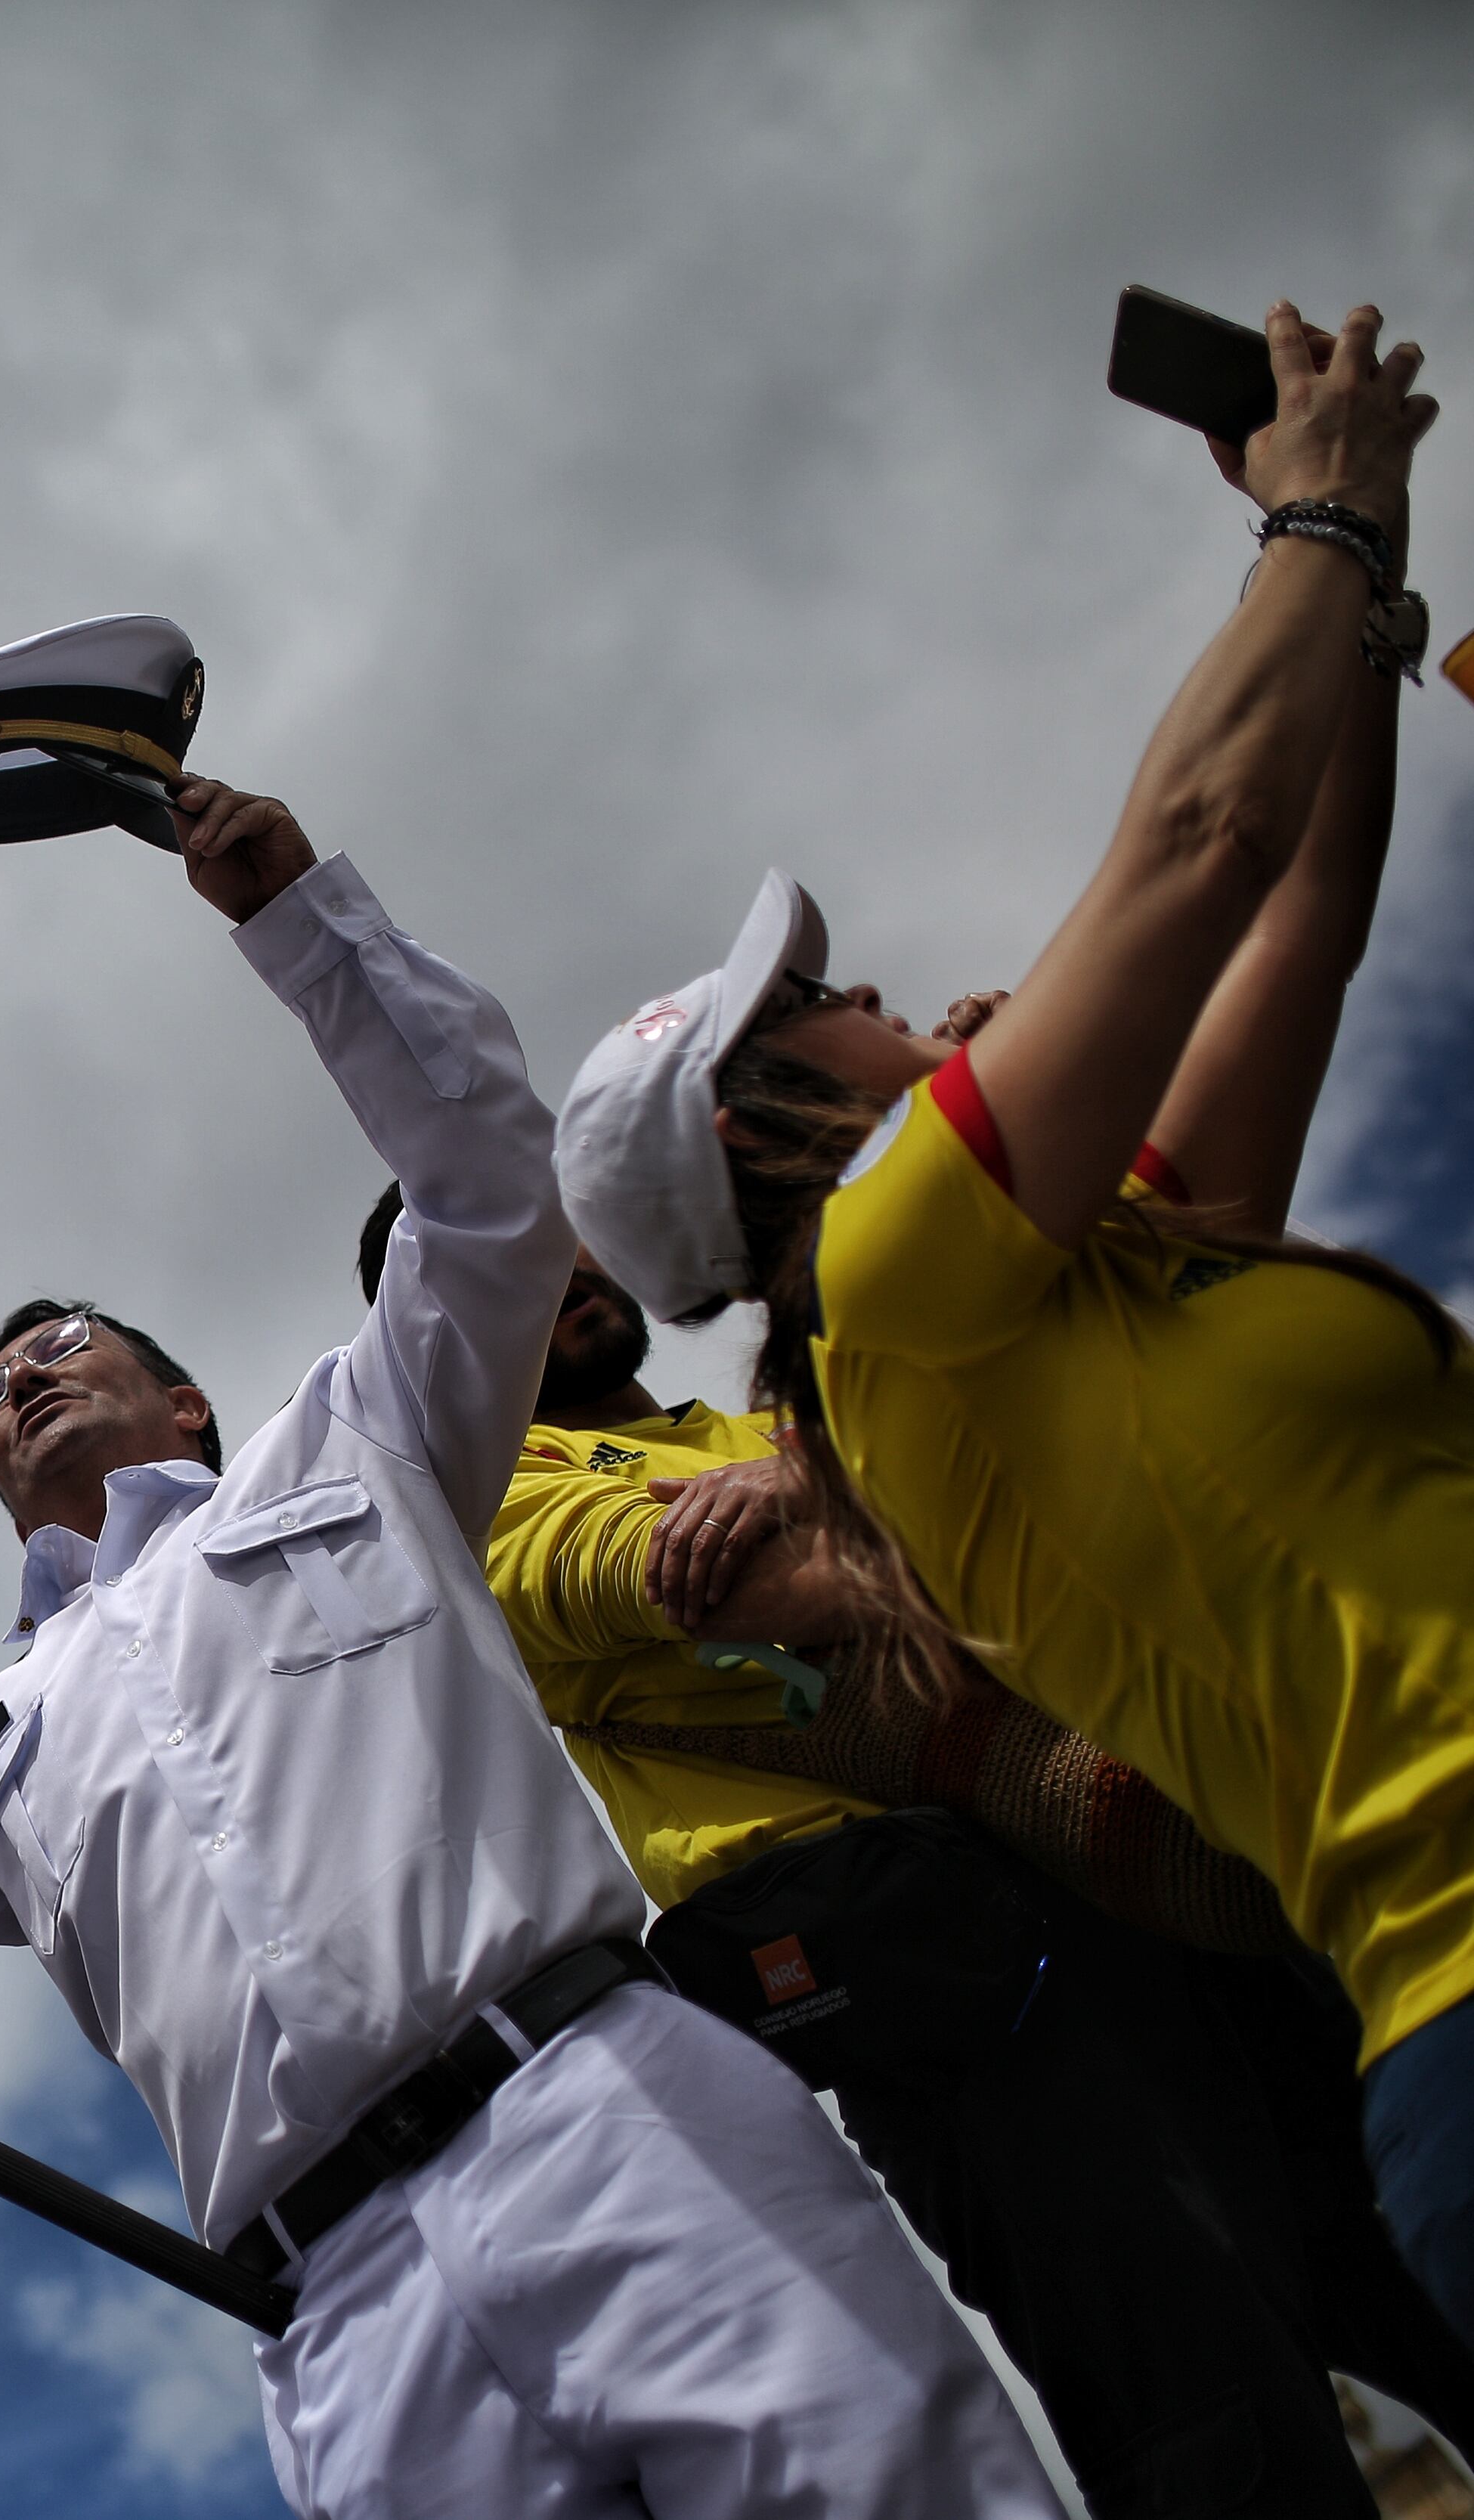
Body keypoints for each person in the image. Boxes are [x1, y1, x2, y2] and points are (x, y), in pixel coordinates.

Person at [0, 776, 1060, 2515]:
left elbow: (488, 1186)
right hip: (336, 2307)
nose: (19, 1373)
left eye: (64, 1339)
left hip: (599, 2110)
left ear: (183, 1395)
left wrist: (297, 917)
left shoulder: (355, 1439)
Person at [550, 302, 1474, 2336]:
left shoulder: (1080, 1285)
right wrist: (1309, 520)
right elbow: (1199, 842)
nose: (867, 978)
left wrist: (1369, 573)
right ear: (774, 1126)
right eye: (810, 1005)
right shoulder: (892, 1289)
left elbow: (1300, 896)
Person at [365, 1191, 1474, 2514]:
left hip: (1146, 1867)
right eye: (502, 1264)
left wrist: (825, 1479)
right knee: (1208, 2423)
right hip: (964, 1991)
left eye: (560, 1232)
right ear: (441, 1335)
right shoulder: (490, 1511)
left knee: (1430, 2293)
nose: (558, 1267)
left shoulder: (759, 1430)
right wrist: (880, 1484)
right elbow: (768, 1578)